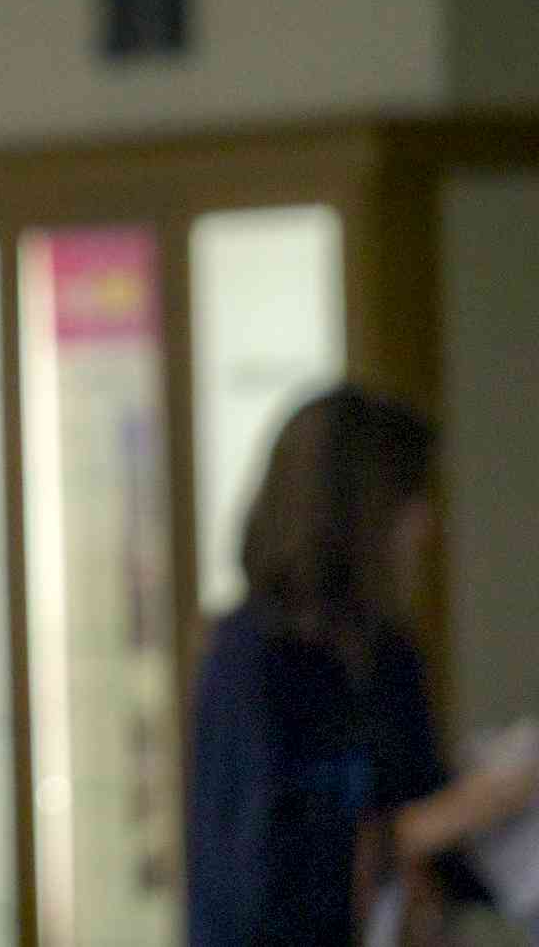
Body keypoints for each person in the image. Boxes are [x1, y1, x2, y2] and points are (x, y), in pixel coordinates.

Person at [187, 384, 539, 947]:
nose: (425, 525)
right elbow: (257, 882)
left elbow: (434, 823)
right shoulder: (251, 662)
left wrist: (497, 798)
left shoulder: (389, 657)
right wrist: (436, 822)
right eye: (410, 501)